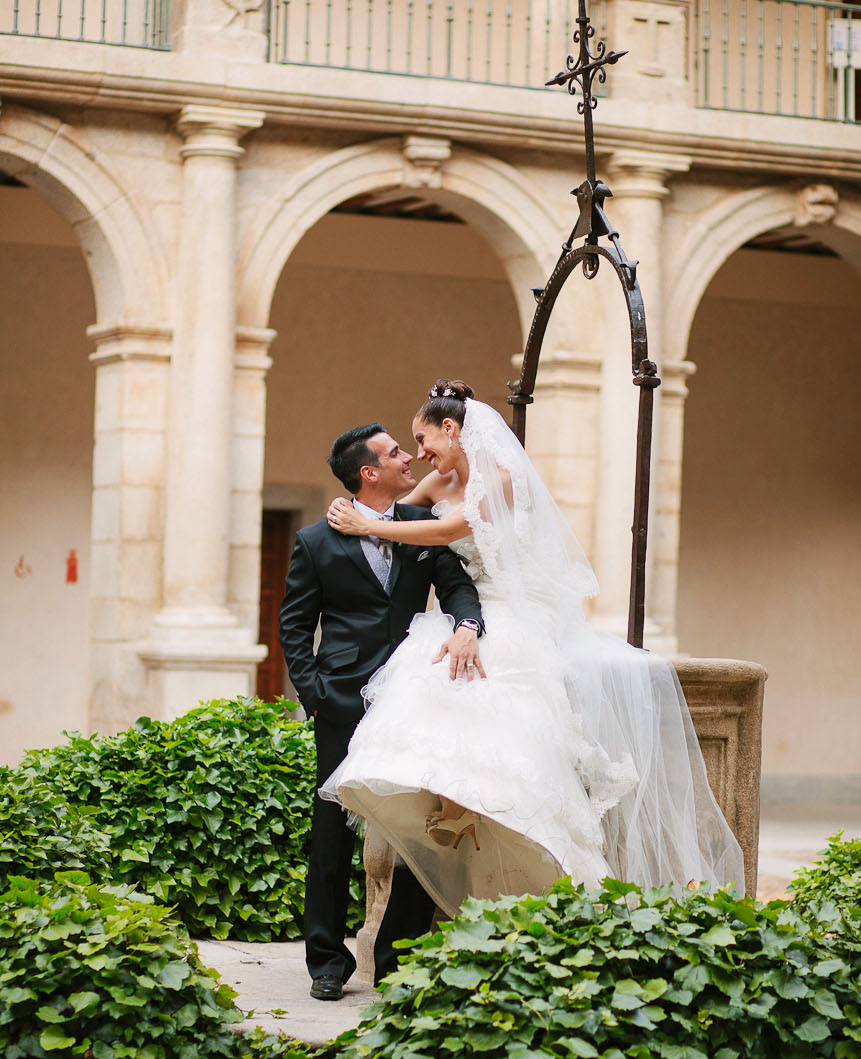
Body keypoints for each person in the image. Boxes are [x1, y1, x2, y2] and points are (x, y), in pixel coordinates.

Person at [321, 381, 745, 919]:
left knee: (489, 680)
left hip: (515, 609)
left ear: (450, 428)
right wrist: (359, 515)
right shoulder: (438, 479)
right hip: (468, 606)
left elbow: (452, 528)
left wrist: (369, 522)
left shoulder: (506, 479)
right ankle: (450, 802)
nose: (421, 451)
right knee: (430, 673)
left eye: (423, 438)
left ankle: (475, 808)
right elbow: (394, 518)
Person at [279, 423, 485, 1001]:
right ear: (369, 472)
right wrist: (316, 692)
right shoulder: (315, 541)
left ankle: (398, 956)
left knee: (415, 825)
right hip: (342, 698)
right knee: (331, 834)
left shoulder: (422, 529)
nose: (406, 459)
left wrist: (468, 628)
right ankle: (326, 960)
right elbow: (294, 626)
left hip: (411, 699)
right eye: (395, 453)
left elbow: (459, 588)